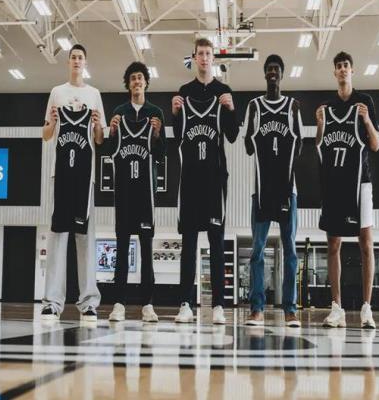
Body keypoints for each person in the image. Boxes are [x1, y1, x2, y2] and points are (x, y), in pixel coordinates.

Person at [171, 38, 239, 324]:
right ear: (194, 57)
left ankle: (219, 305)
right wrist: (175, 113)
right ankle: (185, 303)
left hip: (214, 178)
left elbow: (233, 135)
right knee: (188, 242)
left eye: (208, 53)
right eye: (200, 53)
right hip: (190, 178)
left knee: (216, 242)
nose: (204, 57)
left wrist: (232, 110)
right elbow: (178, 136)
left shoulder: (224, 91)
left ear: (213, 58)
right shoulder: (184, 93)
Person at [316, 51, 379, 329]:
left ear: (352, 70)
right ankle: (337, 308)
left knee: (366, 244)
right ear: (334, 72)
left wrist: (366, 121)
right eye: (338, 66)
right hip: (334, 183)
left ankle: (367, 308)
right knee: (333, 245)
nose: (342, 69)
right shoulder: (327, 107)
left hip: (360, 182)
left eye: (346, 66)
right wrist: (320, 125)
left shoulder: (364, 102)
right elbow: (318, 145)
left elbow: (375, 144)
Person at [41, 44, 105, 321]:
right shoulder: (57, 92)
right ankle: (52, 302)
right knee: (58, 236)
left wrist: (98, 124)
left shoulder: (94, 94)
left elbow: (99, 139)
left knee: (85, 238)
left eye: (81, 57)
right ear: (68, 62)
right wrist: (53, 122)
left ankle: (89, 301)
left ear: (85, 62)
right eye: (73, 57)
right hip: (61, 174)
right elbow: (46, 134)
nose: (77, 61)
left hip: (85, 176)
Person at [243, 54, 303, 327]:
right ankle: (257, 309)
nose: (272, 72)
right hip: (261, 188)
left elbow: (298, 145)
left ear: (282, 74)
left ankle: (290, 309)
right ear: (264, 74)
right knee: (257, 250)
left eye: (276, 69)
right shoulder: (254, 106)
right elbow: (248, 145)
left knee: (290, 249)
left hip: (288, 188)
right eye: (268, 69)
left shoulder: (293, 106)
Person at [108, 62, 166, 322]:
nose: (137, 81)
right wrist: (111, 132)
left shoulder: (156, 113)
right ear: (128, 84)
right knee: (121, 249)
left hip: (146, 193)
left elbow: (162, 153)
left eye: (140, 77)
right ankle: (118, 303)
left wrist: (158, 134)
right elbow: (109, 149)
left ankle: (147, 305)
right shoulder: (119, 113)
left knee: (146, 250)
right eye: (132, 78)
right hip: (124, 193)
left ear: (146, 82)